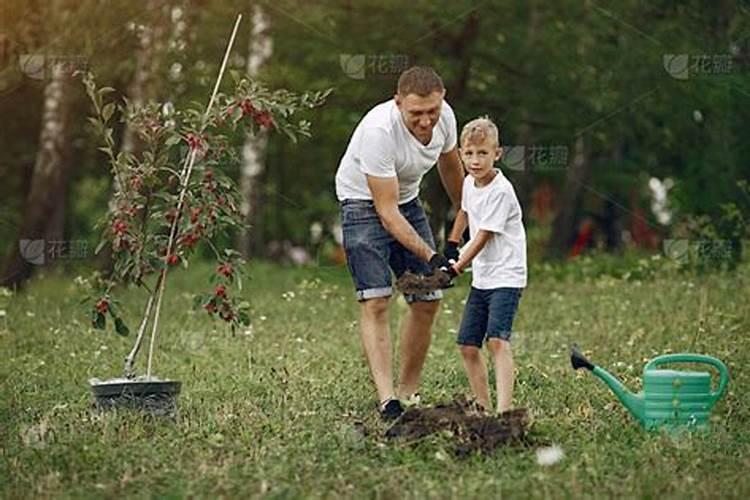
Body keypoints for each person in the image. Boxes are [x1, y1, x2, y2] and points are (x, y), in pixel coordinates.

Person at [335, 66, 465, 420]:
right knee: (376, 300)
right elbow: (387, 214)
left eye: (432, 112)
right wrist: (433, 255)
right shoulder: (379, 132)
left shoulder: (445, 118)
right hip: (363, 202)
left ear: (442, 101)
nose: (426, 121)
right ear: (398, 103)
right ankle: (388, 400)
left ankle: (408, 393)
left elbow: (451, 166)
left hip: (405, 199)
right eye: (416, 114)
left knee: (427, 301)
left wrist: (466, 217)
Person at [444, 116, 527, 414]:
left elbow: (482, 237)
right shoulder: (469, 182)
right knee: (467, 345)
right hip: (483, 278)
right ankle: (482, 408)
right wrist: (451, 246)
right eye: (468, 154)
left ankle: (505, 414)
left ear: (497, 153)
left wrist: (456, 267)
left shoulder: (501, 191)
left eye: (482, 153)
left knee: (496, 341)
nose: (475, 161)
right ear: (461, 154)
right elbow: (465, 213)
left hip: (506, 276)